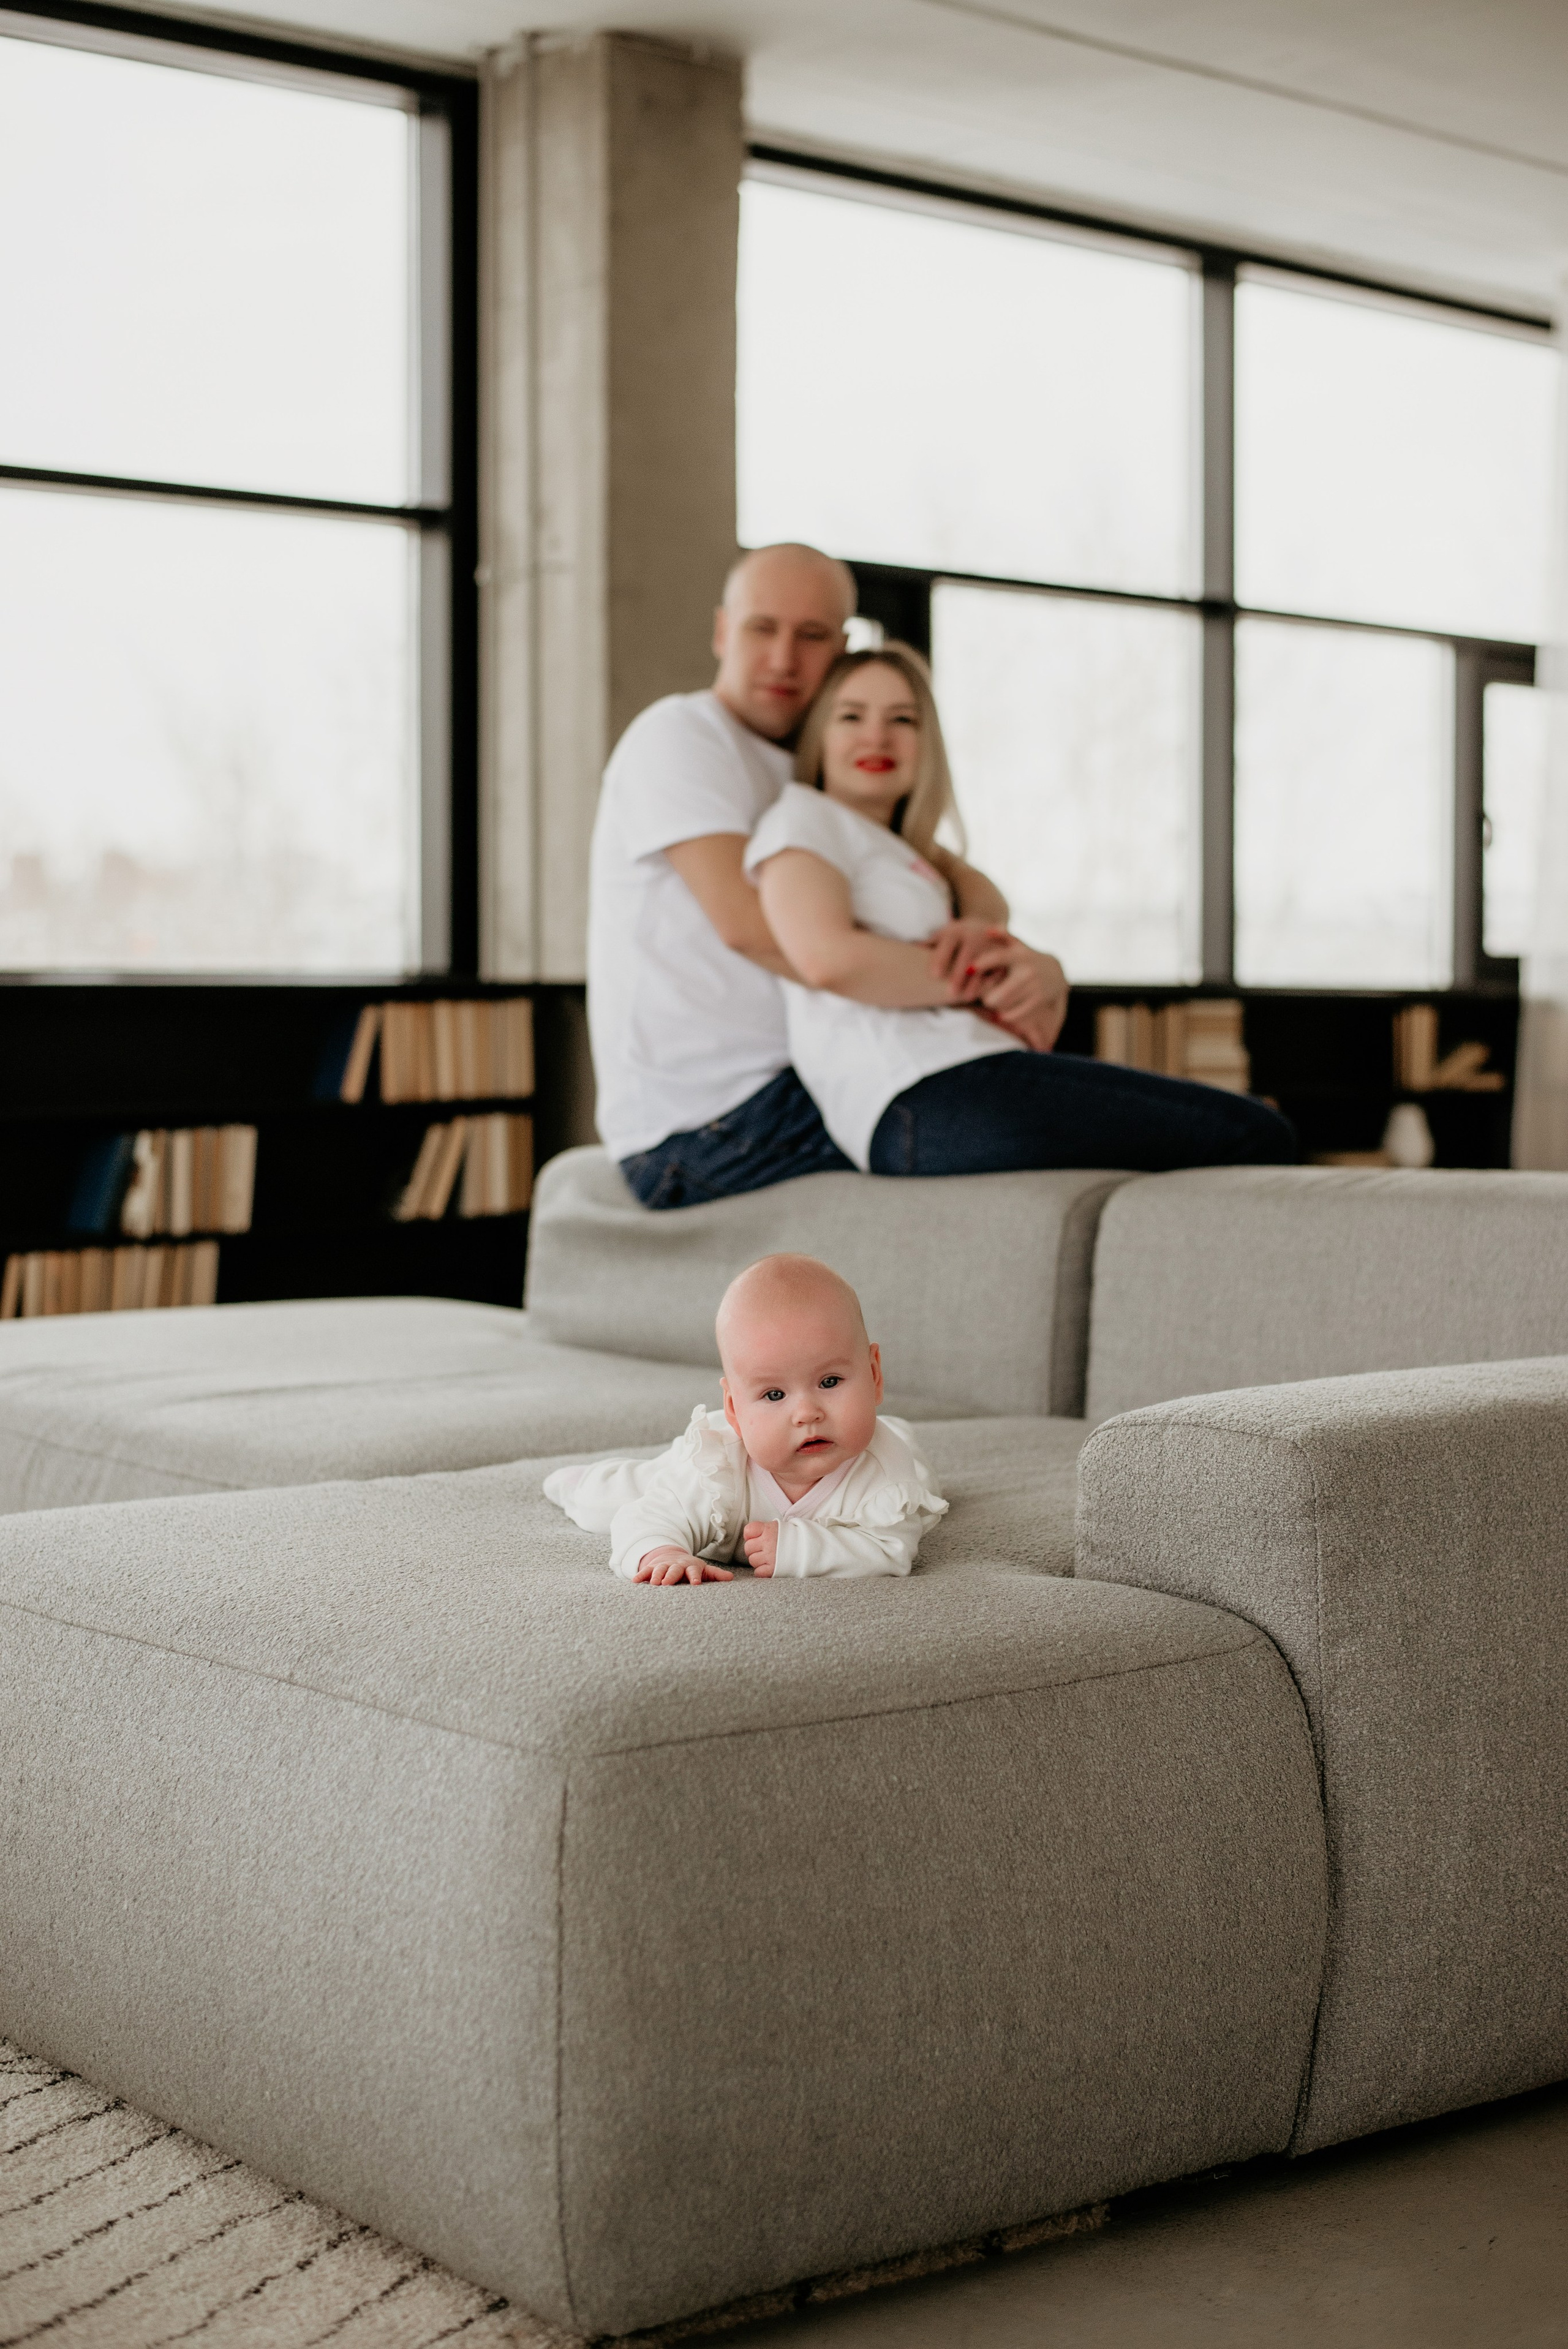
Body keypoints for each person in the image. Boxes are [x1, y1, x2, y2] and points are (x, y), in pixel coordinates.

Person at [587, 542, 1063, 1210]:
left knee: (1049, 1113)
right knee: (1022, 1113)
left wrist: (1005, 947)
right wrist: (983, 987)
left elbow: (950, 872)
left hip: (810, 1077)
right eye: (763, 628)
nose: (784, 658)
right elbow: (757, 931)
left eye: (811, 636)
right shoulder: (681, 737)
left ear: (841, 649)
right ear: (722, 631)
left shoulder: (818, 765)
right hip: (709, 1119)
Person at [743, 643, 1296, 1176]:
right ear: (818, 734)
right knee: (1253, 1131)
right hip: (916, 1088)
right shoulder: (804, 820)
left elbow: (983, 894)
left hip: (952, 1077)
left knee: (1240, 1135)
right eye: (851, 716)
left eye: (903, 720)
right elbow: (827, 960)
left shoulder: (906, 852)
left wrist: (1020, 954)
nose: (877, 736)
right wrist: (988, 981)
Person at [543, 1254, 946, 1584]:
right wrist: (664, 1553)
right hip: (688, 1475)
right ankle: (581, 1483)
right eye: (774, 1395)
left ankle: (899, 1431)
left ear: (874, 1376)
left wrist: (796, 1547)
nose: (807, 1413)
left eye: (830, 1381)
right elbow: (646, 1520)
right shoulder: (714, 1472)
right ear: (735, 1409)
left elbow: (891, 1551)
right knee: (621, 1498)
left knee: (917, 1476)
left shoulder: (883, 1476)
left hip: (892, 1452)